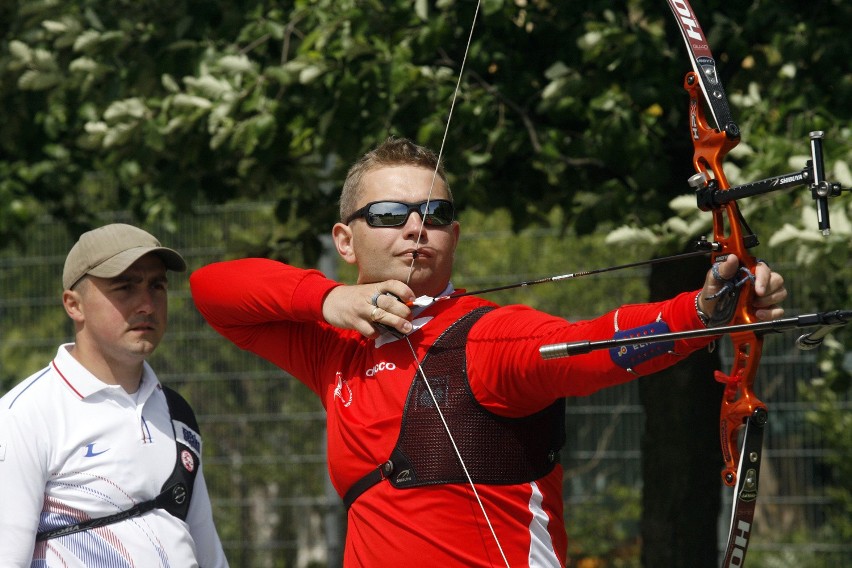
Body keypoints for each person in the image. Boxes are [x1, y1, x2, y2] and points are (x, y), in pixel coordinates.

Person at [189, 137, 787, 567]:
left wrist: (702, 313)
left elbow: (593, 346)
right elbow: (212, 289)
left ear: (455, 233)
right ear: (344, 239)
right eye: (391, 214)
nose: (417, 228)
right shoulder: (336, 347)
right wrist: (328, 301)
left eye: (437, 214)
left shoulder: (488, 338)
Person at [0, 224, 229, 567]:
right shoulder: (25, 414)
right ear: (74, 305)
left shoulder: (176, 410)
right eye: (125, 288)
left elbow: (206, 547)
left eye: (157, 286)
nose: (148, 305)